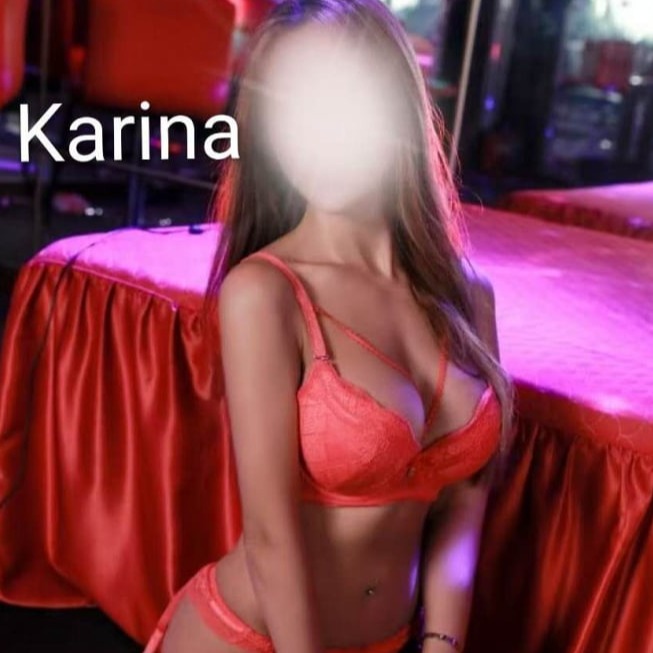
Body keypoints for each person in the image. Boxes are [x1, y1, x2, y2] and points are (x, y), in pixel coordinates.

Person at [143, 1, 514, 652]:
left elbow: (462, 504)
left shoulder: (468, 296)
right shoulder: (265, 294)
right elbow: (270, 537)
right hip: (252, 640)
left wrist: (441, 644)